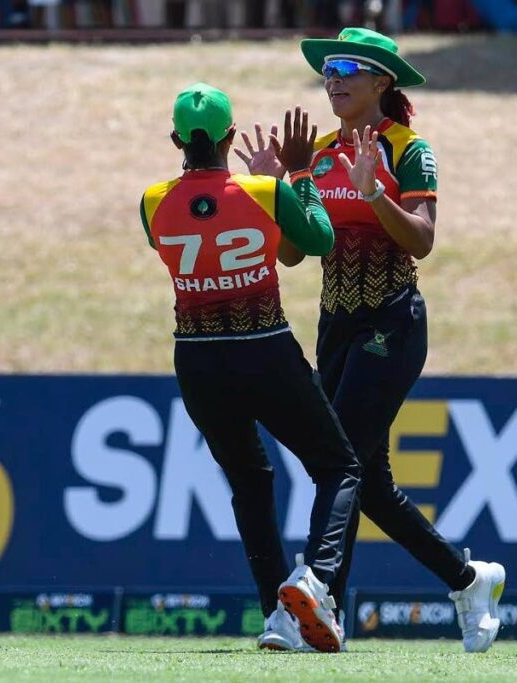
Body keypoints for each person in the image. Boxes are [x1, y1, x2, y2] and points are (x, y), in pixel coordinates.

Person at [236, 28, 507, 653]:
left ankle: (316, 595)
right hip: (335, 324)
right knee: (365, 480)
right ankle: (470, 582)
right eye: (328, 69)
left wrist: (375, 194)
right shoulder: (322, 150)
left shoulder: (410, 149)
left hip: (392, 320)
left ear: (383, 81)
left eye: (347, 68)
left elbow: (422, 240)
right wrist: (277, 191)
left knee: (344, 458)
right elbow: (295, 255)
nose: (333, 78)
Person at [140, 83, 361, 653]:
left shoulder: (150, 201)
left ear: (175, 139)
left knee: (249, 482)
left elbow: (192, 228)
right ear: (230, 136)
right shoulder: (264, 190)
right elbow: (318, 238)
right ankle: (315, 579)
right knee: (338, 466)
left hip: (196, 359)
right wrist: (298, 177)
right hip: (264, 350)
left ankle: (275, 616)